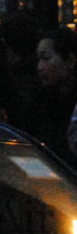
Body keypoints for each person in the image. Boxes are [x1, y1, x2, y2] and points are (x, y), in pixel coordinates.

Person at [32, 27, 77, 160]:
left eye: (46, 58)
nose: (40, 67)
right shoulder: (41, 99)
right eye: (38, 59)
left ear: (70, 61)